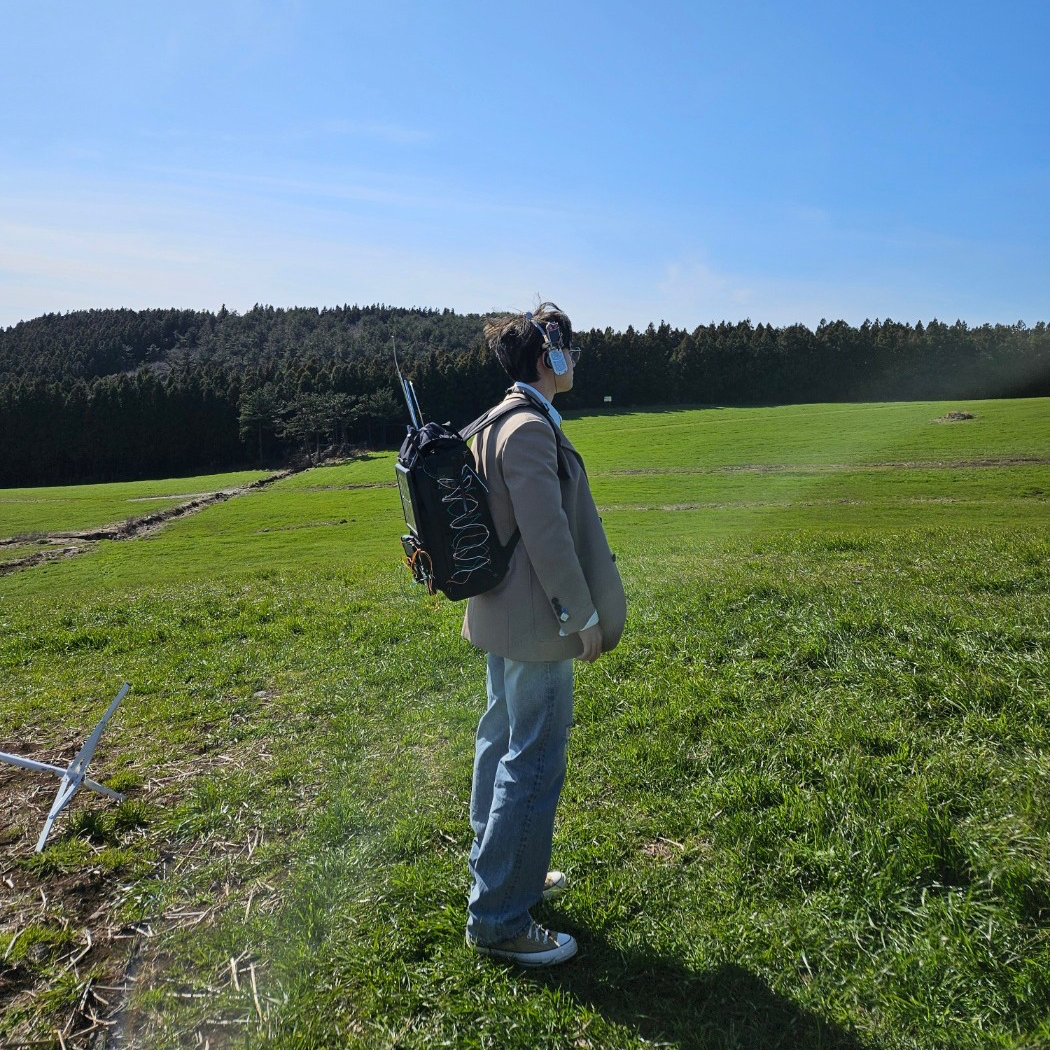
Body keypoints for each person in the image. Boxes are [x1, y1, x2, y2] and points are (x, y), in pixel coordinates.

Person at [462, 302, 627, 966]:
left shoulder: (494, 420)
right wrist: (579, 614)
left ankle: (500, 871)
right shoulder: (529, 428)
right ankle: (501, 916)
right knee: (531, 759)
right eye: (568, 352)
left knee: (499, 741)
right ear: (545, 359)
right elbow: (547, 533)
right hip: (536, 622)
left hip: (502, 615)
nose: (573, 362)